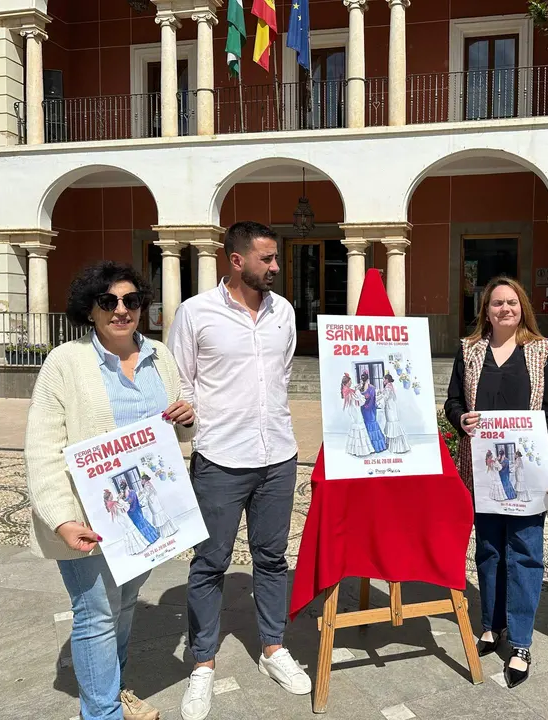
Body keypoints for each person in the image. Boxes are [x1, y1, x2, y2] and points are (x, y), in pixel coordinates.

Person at [24, 261, 195, 720]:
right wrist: (61, 519)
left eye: (131, 301)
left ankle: (113, 688)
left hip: (143, 515)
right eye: (108, 302)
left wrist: (187, 418)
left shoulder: (161, 355)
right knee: (96, 613)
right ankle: (101, 712)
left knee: (122, 608)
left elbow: (180, 433)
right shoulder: (66, 362)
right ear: (91, 310)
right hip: (87, 517)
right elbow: (43, 450)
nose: (122, 310)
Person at [168, 221, 310, 720]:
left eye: (275, 259)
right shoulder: (195, 313)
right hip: (220, 459)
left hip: (278, 456)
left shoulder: (284, 312)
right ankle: (202, 663)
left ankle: (273, 648)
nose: (275, 267)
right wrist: (185, 409)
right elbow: (179, 380)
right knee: (210, 562)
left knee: (272, 559)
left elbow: (283, 373)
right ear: (236, 260)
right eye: (267, 259)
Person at [444, 276, 548, 688]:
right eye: (497, 304)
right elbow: (453, 402)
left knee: (526, 552)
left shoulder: (540, 350)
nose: (504, 310)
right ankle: (491, 626)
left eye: (512, 302)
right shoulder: (470, 350)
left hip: (528, 469)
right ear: (486, 310)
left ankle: (521, 641)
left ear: (522, 307)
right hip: (482, 467)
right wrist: (461, 419)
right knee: (489, 549)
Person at [341, 372, 374, 456]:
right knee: (359, 425)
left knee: (355, 426)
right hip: (355, 410)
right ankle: (361, 450)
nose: (351, 383)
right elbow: (359, 401)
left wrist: (356, 390)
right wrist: (358, 391)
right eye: (350, 382)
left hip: (352, 410)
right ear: (348, 382)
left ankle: (354, 449)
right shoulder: (350, 391)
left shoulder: (346, 389)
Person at [119, 480, 160, 544]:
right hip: (136, 510)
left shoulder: (122, 496)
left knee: (138, 525)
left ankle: (147, 540)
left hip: (131, 513)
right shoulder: (132, 492)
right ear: (126, 485)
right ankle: (153, 537)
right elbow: (135, 501)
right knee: (143, 522)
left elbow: (126, 504)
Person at [380, 372, 410, 453]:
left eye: (384, 379)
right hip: (391, 406)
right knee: (392, 423)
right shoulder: (390, 386)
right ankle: (393, 444)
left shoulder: (388, 387)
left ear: (387, 380)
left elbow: (385, 397)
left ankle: (396, 446)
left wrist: (379, 399)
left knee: (392, 423)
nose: (383, 381)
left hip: (389, 407)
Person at [359, 372, 387, 453]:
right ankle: (378, 446)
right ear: (368, 379)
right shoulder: (372, 388)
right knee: (373, 425)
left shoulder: (360, 388)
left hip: (364, 409)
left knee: (367, 426)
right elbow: (373, 400)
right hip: (371, 410)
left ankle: (369, 447)